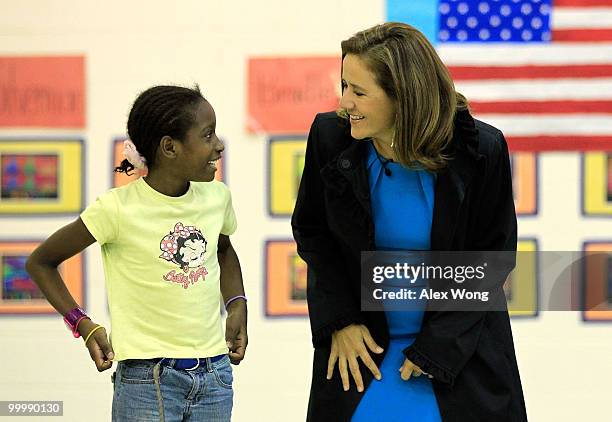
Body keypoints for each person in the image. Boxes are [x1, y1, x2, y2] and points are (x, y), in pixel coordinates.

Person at [292, 23, 527, 422]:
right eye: (344, 85)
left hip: (458, 355)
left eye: (359, 92)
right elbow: (315, 235)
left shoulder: (482, 148)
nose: (344, 102)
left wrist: (437, 347)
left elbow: (491, 259)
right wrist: (340, 321)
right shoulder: (330, 136)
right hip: (363, 355)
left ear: (404, 97)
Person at [26, 85, 247, 422]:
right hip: (147, 381)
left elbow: (223, 248)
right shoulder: (116, 209)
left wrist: (236, 303)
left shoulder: (217, 197)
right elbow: (40, 262)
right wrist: (82, 324)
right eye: (207, 135)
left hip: (215, 376)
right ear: (170, 147)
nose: (219, 144)